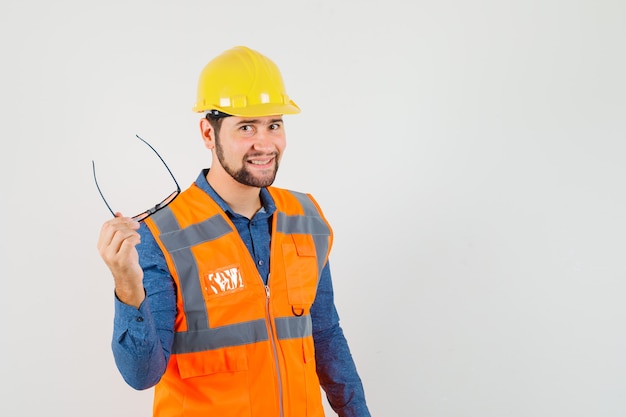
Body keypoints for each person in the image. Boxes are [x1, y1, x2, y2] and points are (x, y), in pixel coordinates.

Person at [96, 45, 371, 417]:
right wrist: (127, 284)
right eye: (246, 127)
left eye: (274, 124)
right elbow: (142, 374)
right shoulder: (161, 236)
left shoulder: (306, 218)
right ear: (208, 133)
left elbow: (325, 336)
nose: (265, 143)